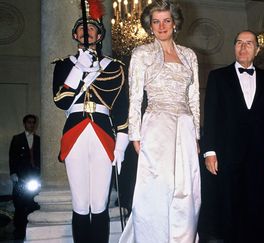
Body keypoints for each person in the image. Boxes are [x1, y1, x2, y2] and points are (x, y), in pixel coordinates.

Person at [118, 0, 201, 242]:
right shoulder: (141, 54)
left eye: (166, 20)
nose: (162, 26)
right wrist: (135, 134)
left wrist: (196, 134)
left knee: (186, 189)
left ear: (175, 24)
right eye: (156, 21)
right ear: (150, 26)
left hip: (185, 124)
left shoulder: (189, 55)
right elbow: (134, 96)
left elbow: (194, 97)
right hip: (156, 125)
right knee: (156, 187)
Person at [52, 5, 129, 242]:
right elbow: (61, 102)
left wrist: (122, 144)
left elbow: (122, 108)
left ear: (100, 35)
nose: (87, 32)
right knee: (80, 202)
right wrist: (78, 68)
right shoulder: (64, 65)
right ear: (75, 36)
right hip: (75, 131)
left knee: (99, 202)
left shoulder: (115, 67)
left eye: (92, 29)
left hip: (103, 133)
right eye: (82, 30)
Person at [200, 30, 264, 243]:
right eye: (239, 43)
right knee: (230, 207)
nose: (243, 47)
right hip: (227, 154)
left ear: (257, 50)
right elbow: (210, 116)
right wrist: (209, 151)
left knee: (258, 205)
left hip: (260, 154)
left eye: (249, 43)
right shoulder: (218, 77)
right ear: (234, 48)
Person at [9, 114, 41, 240]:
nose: (31, 125)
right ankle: (19, 230)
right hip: (21, 176)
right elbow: (12, 157)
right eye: (29, 122)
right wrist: (13, 173)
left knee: (33, 202)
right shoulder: (17, 139)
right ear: (24, 123)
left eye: (33, 122)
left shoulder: (38, 140)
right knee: (19, 203)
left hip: (34, 175)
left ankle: (32, 228)